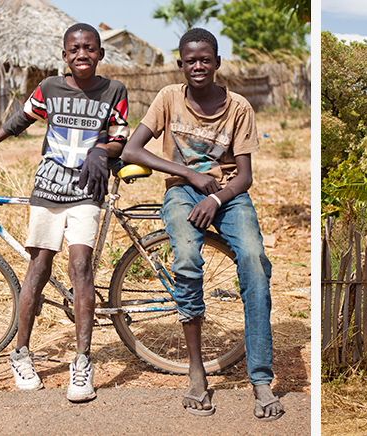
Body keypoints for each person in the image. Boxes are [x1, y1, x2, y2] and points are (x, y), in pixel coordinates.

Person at [119, 27, 283, 421]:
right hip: (182, 192)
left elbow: (244, 176)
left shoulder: (239, 107)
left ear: (217, 63)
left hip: (228, 196)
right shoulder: (168, 99)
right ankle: (196, 374)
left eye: (205, 59)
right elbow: (131, 148)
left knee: (256, 265)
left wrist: (215, 197)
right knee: (187, 262)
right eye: (190, 60)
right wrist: (189, 176)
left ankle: (260, 379)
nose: (198, 66)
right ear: (180, 64)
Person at [0, 23, 126, 403]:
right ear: (64, 55)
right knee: (38, 266)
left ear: (100, 54)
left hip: (88, 186)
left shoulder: (114, 91)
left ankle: (83, 362)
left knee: (81, 266)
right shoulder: (50, 88)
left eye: (89, 48)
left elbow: (119, 135)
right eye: (74, 49)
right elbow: (19, 120)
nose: (82, 54)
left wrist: (104, 151)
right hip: (49, 186)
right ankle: (20, 353)